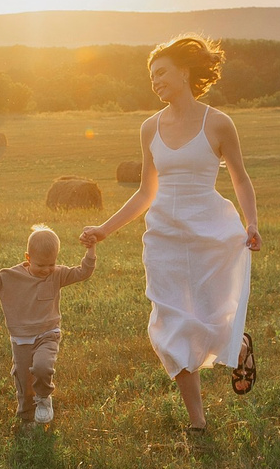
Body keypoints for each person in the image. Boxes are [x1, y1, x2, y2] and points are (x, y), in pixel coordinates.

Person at [79, 35, 260, 432]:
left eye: (161, 72)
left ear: (184, 72)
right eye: (151, 76)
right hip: (164, 239)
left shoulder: (218, 123)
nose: (155, 81)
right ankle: (197, 421)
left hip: (210, 233)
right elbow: (146, 192)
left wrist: (251, 222)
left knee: (211, 317)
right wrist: (104, 230)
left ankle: (239, 346)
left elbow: (240, 178)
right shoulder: (149, 128)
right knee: (171, 325)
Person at [0, 224, 98, 424]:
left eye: (51, 264)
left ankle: (43, 397)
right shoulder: (12, 277)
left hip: (48, 334)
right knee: (24, 383)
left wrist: (91, 249)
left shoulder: (56, 274)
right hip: (21, 339)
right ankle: (27, 419)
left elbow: (83, 272)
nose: (46, 270)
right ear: (28, 257)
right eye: (41, 265)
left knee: (42, 367)